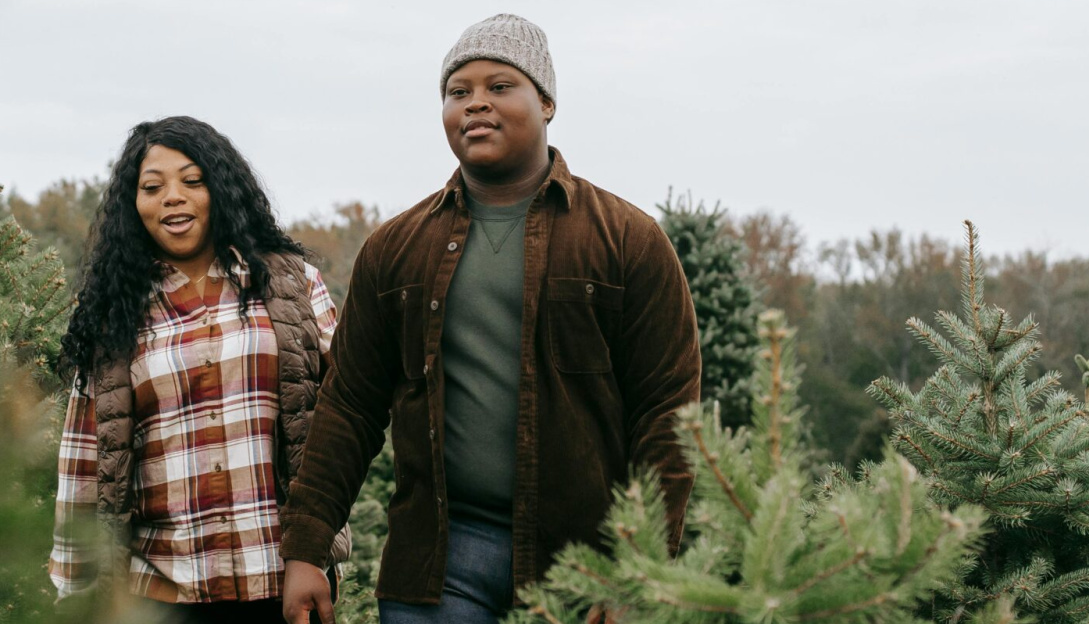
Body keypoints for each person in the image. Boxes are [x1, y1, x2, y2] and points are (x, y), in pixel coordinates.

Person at [279, 13, 701, 624]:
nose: (475, 103)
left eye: (500, 86)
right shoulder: (395, 249)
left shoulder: (627, 241)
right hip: (438, 564)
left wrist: (638, 570)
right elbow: (348, 406)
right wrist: (307, 549)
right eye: (458, 91)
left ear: (547, 102)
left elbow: (669, 416)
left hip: (585, 562)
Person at [51, 116, 349, 624]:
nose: (173, 197)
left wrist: (315, 554)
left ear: (222, 190)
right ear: (134, 203)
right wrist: (73, 594)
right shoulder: (112, 314)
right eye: (153, 186)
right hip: (160, 595)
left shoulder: (293, 285)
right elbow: (83, 462)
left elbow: (342, 424)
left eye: (193, 181)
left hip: (281, 586)